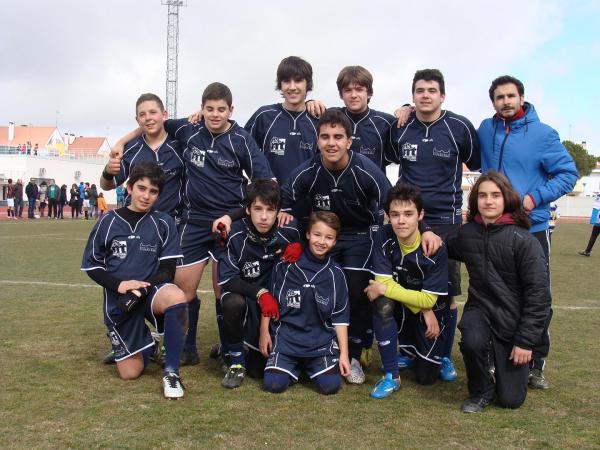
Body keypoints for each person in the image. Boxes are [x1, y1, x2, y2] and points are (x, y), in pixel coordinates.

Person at [113, 83, 274, 366]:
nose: (214, 115)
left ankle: (229, 350)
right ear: (201, 110)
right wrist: (120, 142)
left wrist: (236, 216)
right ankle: (186, 347)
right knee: (182, 291)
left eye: (221, 109)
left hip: (228, 224)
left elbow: (264, 183)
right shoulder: (189, 130)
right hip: (193, 223)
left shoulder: (242, 140)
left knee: (224, 292)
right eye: (209, 109)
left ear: (230, 110)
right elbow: (151, 124)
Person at [478, 75, 578, 389]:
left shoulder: (543, 134)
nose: (505, 102)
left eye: (511, 96)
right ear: (492, 101)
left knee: (537, 296)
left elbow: (568, 173)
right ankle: (495, 355)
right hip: (492, 231)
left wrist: (534, 198)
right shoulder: (485, 129)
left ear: (521, 98)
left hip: (531, 229)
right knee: (494, 295)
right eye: (499, 97)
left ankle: (536, 363)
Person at [280, 108, 391, 385]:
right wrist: (290, 229)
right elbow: (284, 202)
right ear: (317, 141)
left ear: (349, 142)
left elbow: (393, 203)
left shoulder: (365, 170)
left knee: (355, 289)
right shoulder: (307, 171)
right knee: (319, 288)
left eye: (338, 137)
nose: (332, 142)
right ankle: (319, 347)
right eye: (325, 136)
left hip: (359, 236)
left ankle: (354, 354)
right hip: (324, 237)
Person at [388, 69, 480, 381]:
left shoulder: (459, 127)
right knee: (405, 285)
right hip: (407, 220)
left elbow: (476, 161)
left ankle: (441, 355)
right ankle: (407, 348)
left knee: (446, 294)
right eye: (419, 90)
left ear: (442, 95)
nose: (425, 95)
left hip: (445, 222)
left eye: (432, 90)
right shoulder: (400, 127)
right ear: (412, 96)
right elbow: (385, 158)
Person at [81, 161, 188, 399]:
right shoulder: (107, 222)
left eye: (153, 191)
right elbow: (92, 266)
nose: (146, 196)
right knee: (130, 373)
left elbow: (168, 269)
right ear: (129, 188)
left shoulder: (163, 222)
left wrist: (139, 289)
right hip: (120, 301)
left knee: (177, 297)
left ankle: (171, 372)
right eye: (141, 188)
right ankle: (148, 342)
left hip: (150, 292)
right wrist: (121, 286)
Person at [444, 171, 550, 412]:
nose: (488, 201)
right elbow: (445, 247)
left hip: (513, 317)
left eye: (495, 195)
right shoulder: (468, 233)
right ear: (475, 200)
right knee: (471, 339)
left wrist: (525, 341)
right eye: (482, 195)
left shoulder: (524, 241)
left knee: (511, 400)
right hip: (480, 309)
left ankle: (502, 366)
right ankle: (480, 391)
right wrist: (427, 235)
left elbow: (539, 296)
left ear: (507, 199)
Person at [365, 183, 450, 398]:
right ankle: (391, 376)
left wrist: (426, 308)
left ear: (420, 215)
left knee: (426, 378)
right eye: (395, 214)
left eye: (408, 214)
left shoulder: (434, 246)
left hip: (432, 313)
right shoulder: (383, 236)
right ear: (388, 216)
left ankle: (434, 355)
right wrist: (421, 305)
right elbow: (385, 283)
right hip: (405, 308)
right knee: (382, 304)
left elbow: (429, 299)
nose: (401, 220)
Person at [217, 178, 301, 388]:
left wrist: (301, 248)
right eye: (258, 209)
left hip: (276, 302)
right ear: (247, 210)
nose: (264, 217)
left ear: (279, 211)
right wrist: (260, 293)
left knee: (259, 370)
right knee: (232, 303)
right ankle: (236, 360)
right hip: (247, 295)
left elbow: (315, 240)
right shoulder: (235, 234)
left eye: (270, 210)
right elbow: (227, 280)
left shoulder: (290, 231)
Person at [260, 211, 350, 394]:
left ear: (335, 241)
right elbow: (270, 301)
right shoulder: (286, 264)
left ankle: (310, 365)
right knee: (274, 384)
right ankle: (292, 365)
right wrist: (264, 332)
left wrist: (344, 355)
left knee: (330, 386)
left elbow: (340, 318)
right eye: (317, 234)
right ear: (308, 234)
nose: (321, 241)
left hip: (320, 344)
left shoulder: (336, 274)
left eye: (328, 237)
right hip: (287, 340)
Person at [101, 93, 184, 219]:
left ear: (164, 114)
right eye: (142, 114)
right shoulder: (130, 149)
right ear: (137, 120)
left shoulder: (180, 144)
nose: (148, 118)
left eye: (152, 112)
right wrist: (108, 171)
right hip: (137, 225)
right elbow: (106, 185)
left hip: (172, 224)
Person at [244, 56, 319, 185]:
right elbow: (238, 147)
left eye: (298, 80)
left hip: (307, 202)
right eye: (286, 81)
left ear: (308, 83)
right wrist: (204, 115)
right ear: (280, 84)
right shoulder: (264, 116)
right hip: (271, 202)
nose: (292, 87)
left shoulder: (318, 119)